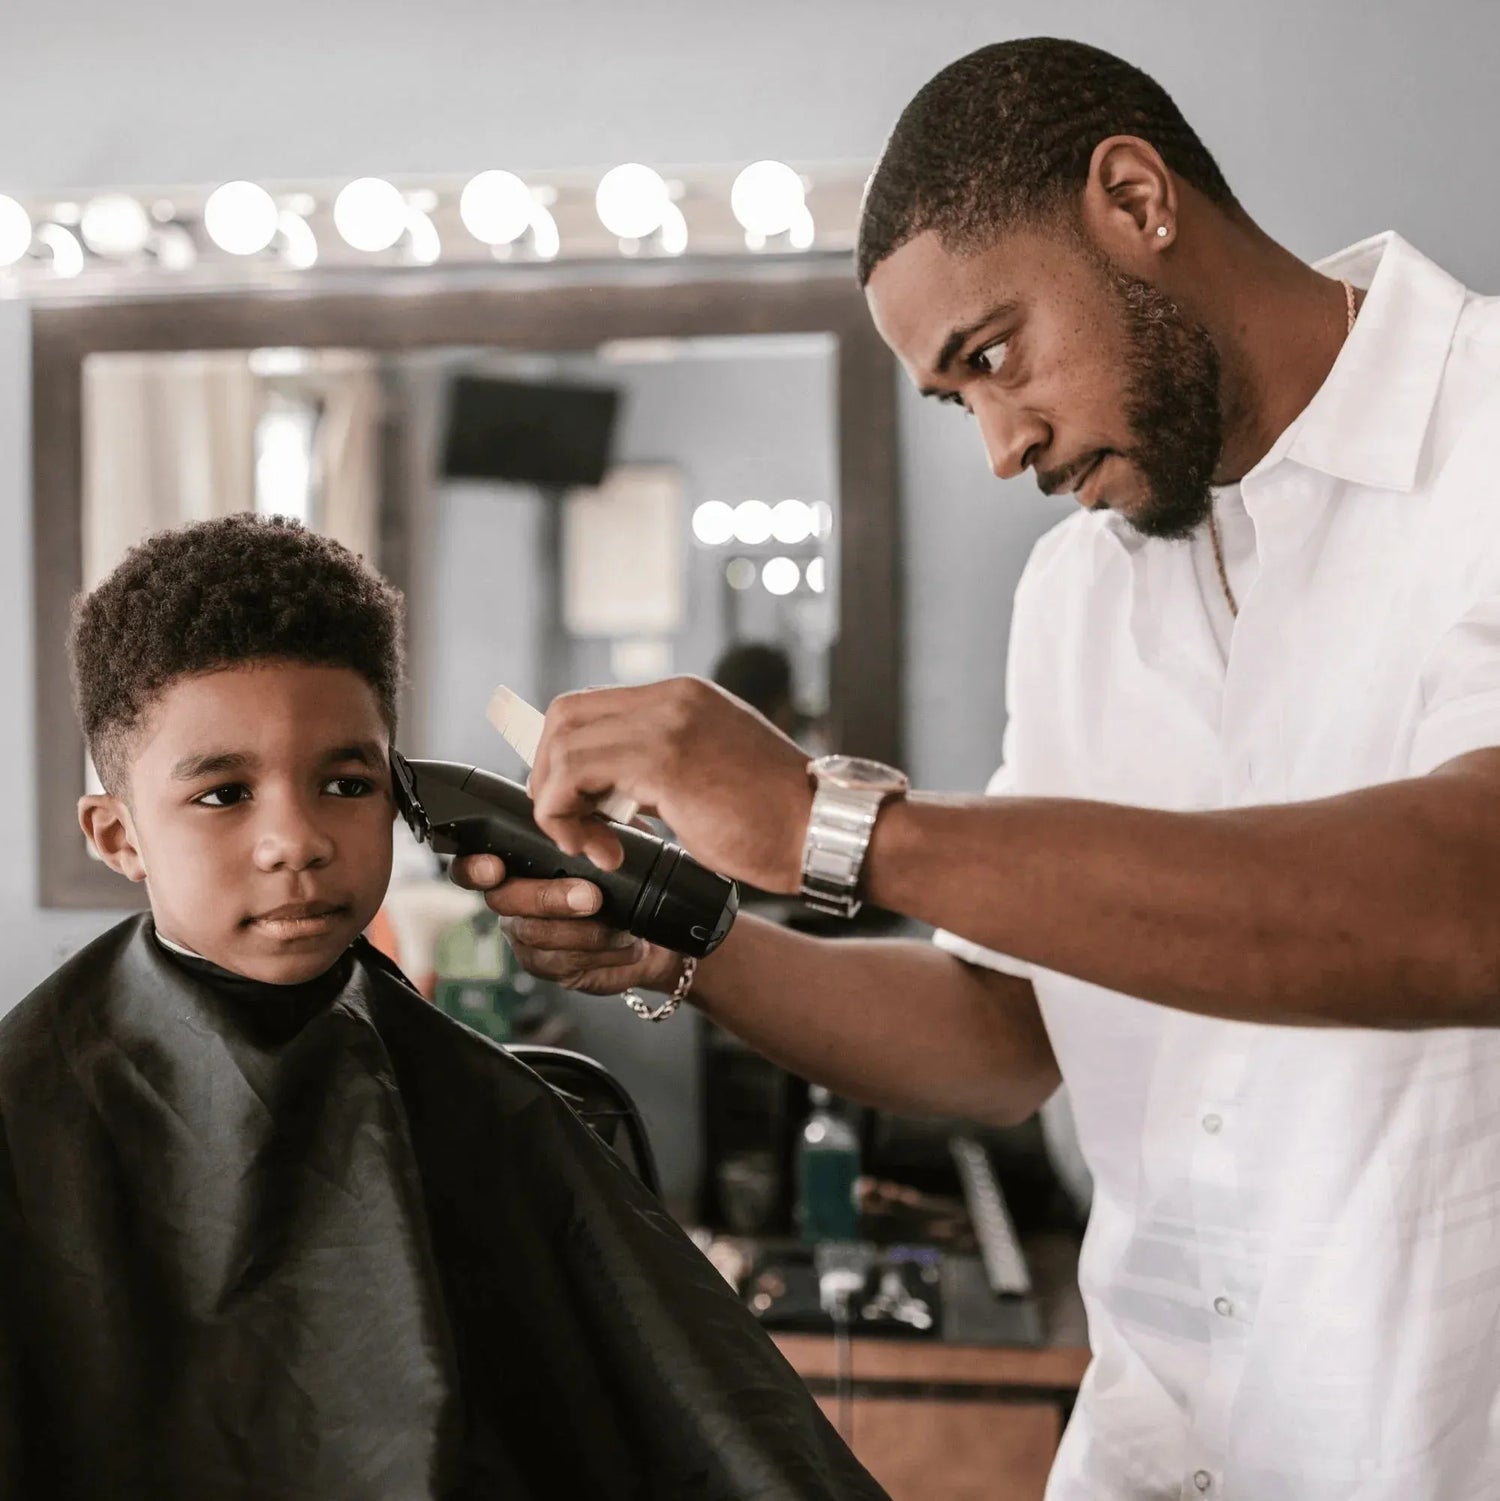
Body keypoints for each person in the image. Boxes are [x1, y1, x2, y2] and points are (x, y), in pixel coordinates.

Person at [455, 37, 1500, 1501]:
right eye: (955, 402)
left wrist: (826, 818)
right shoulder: (1081, 596)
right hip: (1162, 1450)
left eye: (991, 355)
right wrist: (687, 938)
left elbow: (1468, 907)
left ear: (1133, 198)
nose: (1002, 450)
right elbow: (1011, 1031)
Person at [0, 514, 883, 1501]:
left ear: (405, 796)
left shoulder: (493, 1115)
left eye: (346, 782)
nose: (295, 839)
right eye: (223, 794)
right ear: (117, 833)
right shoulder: (24, 1113)